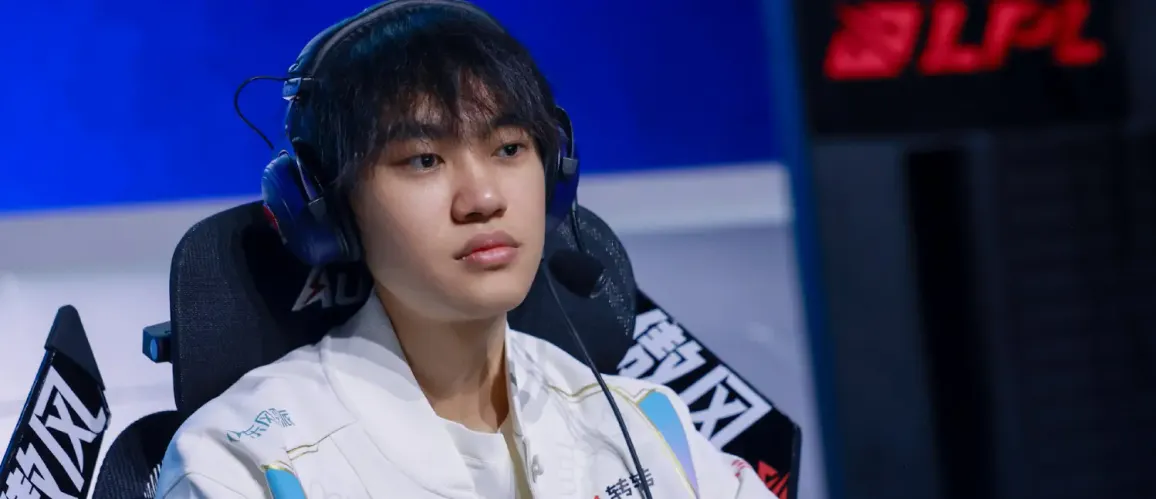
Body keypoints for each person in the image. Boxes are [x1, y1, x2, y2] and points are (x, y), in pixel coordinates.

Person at [154, 1, 778, 498]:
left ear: (555, 174)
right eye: (424, 160)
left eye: (509, 149)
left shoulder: (648, 427)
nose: (482, 198)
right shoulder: (248, 464)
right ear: (327, 210)